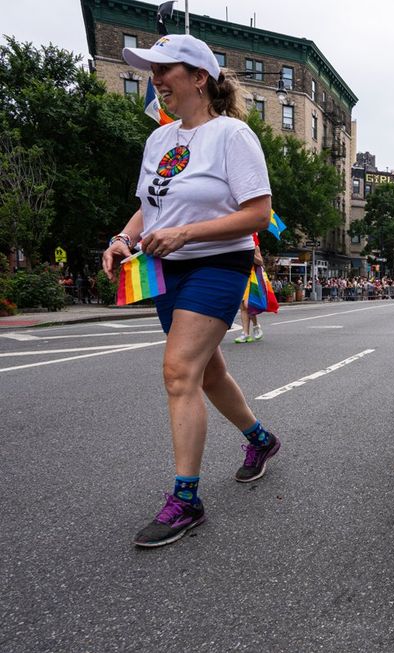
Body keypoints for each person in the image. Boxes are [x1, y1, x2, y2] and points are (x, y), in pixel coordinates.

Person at [103, 34, 281, 548]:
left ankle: (186, 500)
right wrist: (123, 238)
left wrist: (186, 233)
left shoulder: (232, 135)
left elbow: (258, 214)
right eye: (151, 71)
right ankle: (261, 441)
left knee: (179, 370)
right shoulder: (159, 139)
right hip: (165, 271)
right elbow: (149, 206)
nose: (156, 79)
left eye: (166, 70)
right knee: (206, 372)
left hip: (217, 264)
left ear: (199, 77)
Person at [234, 234, 266, 343]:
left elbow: (261, 262)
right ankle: (245, 334)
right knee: (243, 306)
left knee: (248, 304)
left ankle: (256, 326)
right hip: (240, 275)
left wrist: (250, 255)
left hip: (251, 277)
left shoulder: (254, 246)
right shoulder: (237, 247)